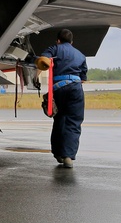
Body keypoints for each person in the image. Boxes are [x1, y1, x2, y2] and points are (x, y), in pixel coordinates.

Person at [36, 28, 88, 168]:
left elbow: (43, 60)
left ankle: (58, 153)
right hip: (76, 88)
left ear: (58, 40)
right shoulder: (81, 55)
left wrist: (36, 76)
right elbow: (83, 78)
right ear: (72, 42)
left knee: (59, 119)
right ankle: (68, 157)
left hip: (58, 88)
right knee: (73, 121)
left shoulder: (54, 48)